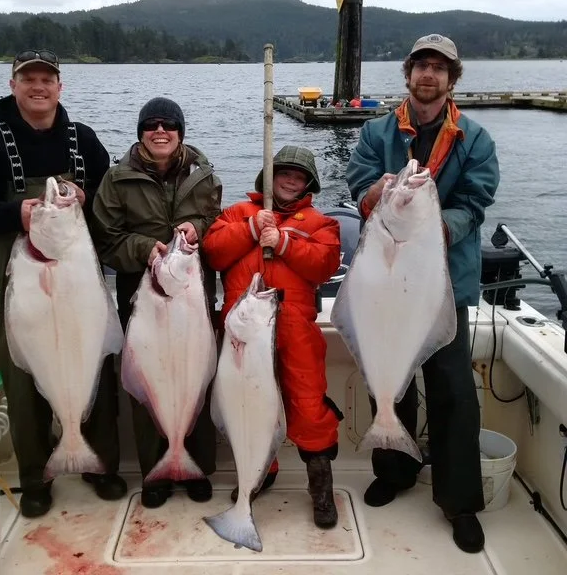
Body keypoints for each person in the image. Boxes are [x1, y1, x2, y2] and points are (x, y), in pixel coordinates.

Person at [0, 49, 127, 518]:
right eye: (29, 79)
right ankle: (35, 479)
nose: (39, 86)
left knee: (96, 371)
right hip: (23, 280)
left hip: (78, 280)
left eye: (48, 78)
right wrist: (15, 213)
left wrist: (86, 201)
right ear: (14, 85)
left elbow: (110, 203)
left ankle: (99, 464)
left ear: (60, 87)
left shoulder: (83, 139)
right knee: (24, 382)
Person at [346, 33, 500, 553]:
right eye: (420, 66)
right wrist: (377, 193)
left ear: (451, 79)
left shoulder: (474, 139)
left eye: (439, 68)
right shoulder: (375, 132)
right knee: (388, 380)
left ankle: (459, 502)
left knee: (454, 392)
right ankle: (395, 472)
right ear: (408, 75)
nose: (428, 75)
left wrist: (437, 223)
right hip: (384, 280)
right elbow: (359, 186)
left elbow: (476, 202)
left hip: (442, 285)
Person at [90, 96, 222, 508]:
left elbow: (217, 219)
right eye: (151, 125)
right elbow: (106, 239)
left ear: (181, 131)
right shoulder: (116, 179)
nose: (160, 131)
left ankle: (195, 463)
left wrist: (197, 227)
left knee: (195, 377)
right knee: (148, 382)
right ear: (141, 133)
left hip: (192, 291)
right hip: (142, 291)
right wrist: (147, 247)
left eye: (168, 124)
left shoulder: (204, 174)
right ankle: (155, 472)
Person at [202, 145, 343, 529]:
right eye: (284, 172)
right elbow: (213, 253)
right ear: (269, 175)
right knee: (250, 406)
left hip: (295, 332)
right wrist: (250, 229)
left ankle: (321, 487)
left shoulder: (321, 223)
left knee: (308, 404)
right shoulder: (236, 214)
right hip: (243, 335)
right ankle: (262, 472)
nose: (290, 179)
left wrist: (281, 242)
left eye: (299, 175)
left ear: (308, 183)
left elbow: (325, 264)